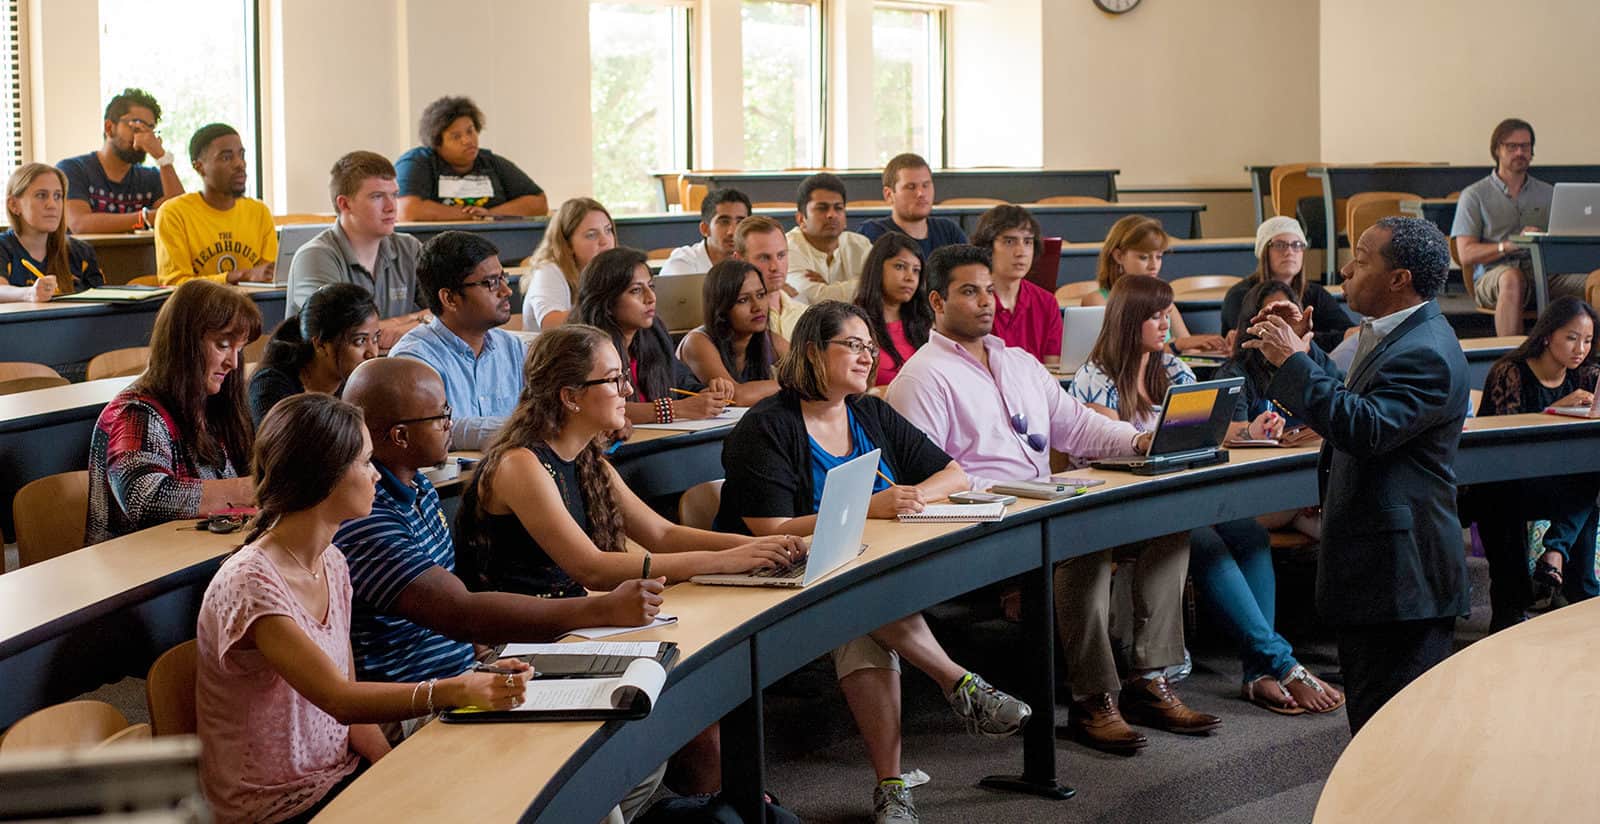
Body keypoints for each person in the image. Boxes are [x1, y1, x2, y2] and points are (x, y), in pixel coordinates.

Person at [885, 249, 1224, 751]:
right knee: (1086, 540)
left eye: (987, 290)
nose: (985, 302)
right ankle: (1093, 700)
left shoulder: (1018, 362)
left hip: (1043, 507)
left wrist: (1136, 441)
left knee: (1168, 526)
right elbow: (932, 480)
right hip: (983, 524)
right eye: (968, 291)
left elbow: (1078, 426)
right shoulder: (921, 378)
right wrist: (1015, 495)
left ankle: (1150, 679)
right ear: (936, 300)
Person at [717, 299, 1031, 824]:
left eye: (870, 346)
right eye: (854, 346)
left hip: (853, 573)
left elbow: (954, 474)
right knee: (862, 598)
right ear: (814, 351)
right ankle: (959, 685)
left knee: (862, 613)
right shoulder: (766, 427)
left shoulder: (870, 411)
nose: (868, 357)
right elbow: (767, 531)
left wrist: (912, 496)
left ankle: (893, 785)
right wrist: (872, 508)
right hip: (773, 573)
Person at [195, 393, 526, 824]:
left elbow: (351, 711)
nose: (376, 476)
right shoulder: (251, 582)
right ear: (324, 476)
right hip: (275, 809)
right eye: (366, 463)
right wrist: (456, 689)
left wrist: (396, 775)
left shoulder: (331, 562)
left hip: (338, 779)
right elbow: (341, 700)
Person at [1243, 216, 1470, 734]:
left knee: (1393, 736)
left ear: (1399, 279)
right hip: (1383, 570)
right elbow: (1358, 397)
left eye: (1361, 259)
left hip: (1402, 578)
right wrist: (1305, 351)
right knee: (1377, 725)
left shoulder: (1427, 352)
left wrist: (1292, 362)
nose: (1344, 268)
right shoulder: (1403, 333)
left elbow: (1365, 427)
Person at [1461, 296, 1600, 631]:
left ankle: (1566, 570)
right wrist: (1556, 408)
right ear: (1547, 334)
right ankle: (1524, 598)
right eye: (1571, 337)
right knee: (1506, 501)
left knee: (1591, 480)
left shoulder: (1586, 375)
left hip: (1555, 483)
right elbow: (1507, 439)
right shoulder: (1509, 373)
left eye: (1588, 340)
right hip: (1501, 480)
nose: (1580, 348)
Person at [87, 280, 261, 545]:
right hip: (140, 573)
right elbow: (145, 498)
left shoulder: (214, 405)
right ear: (184, 343)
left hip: (201, 556)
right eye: (223, 345)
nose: (233, 363)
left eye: (239, 348)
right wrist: (253, 488)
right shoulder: (134, 412)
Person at [388, 231, 525, 450]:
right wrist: (523, 428)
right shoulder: (413, 360)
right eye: (491, 282)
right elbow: (433, 430)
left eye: (503, 278)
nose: (506, 290)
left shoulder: (514, 348)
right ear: (450, 298)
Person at [1452, 118, 1588, 337]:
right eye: (1511, 146)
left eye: (1525, 146)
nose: (1519, 152)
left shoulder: (1549, 193)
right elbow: (1466, 254)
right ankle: (1512, 362)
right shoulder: (1474, 195)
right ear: (1497, 150)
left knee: (1596, 280)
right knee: (1512, 278)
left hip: (1544, 273)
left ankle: (1592, 357)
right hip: (1494, 275)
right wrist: (1508, 245)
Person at [286, 151, 429, 350]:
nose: (391, 207)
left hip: (388, 371)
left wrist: (400, 325)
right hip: (330, 379)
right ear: (344, 204)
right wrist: (417, 321)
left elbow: (448, 311)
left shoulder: (408, 247)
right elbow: (339, 334)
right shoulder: (315, 256)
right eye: (377, 196)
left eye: (394, 195)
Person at [573, 247, 731, 424]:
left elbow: (682, 383)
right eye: (636, 290)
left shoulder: (654, 333)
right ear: (607, 302)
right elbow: (601, 408)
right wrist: (677, 409)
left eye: (651, 286)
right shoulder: (588, 348)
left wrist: (707, 393)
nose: (651, 298)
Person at [1217, 281, 1322, 539]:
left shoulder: (1312, 361)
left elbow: (1341, 408)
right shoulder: (1235, 372)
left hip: (1307, 482)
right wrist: (1252, 431)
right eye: (1271, 318)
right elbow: (1224, 433)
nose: (1279, 327)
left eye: (1287, 319)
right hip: (1255, 490)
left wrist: (1301, 353)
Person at [1081, 215, 1226, 354]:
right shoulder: (1098, 301)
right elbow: (1117, 353)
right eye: (1143, 257)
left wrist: (1214, 349)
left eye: (1159, 256)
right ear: (1119, 256)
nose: (1154, 265)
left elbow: (1188, 348)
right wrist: (1178, 345)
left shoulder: (1163, 299)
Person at [154, 123, 276, 285]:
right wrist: (237, 276)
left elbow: (271, 275)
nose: (240, 164)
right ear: (200, 167)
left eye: (242, 155)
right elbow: (174, 283)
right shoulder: (173, 213)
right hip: (197, 309)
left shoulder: (259, 211)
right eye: (226, 157)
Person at [395, 96, 547, 221]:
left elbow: (538, 202)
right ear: (437, 143)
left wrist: (490, 213)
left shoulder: (491, 162)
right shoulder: (417, 162)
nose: (468, 140)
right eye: (456, 136)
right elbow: (407, 211)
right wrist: (469, 215)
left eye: (470, 131)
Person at [248, 284, 381, 424]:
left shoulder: (360, 383)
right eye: (360, 341)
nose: (372, 353)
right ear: (321, 344)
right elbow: (280, 445)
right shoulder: (271, 388)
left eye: (376, 339)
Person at [57, 88, 184, 234]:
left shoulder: (151, 177)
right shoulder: (73, 169)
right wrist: (147, 218)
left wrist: (162, 157)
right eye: (137, 126)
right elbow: (80, 224)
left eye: (150, 130)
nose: (145, 136)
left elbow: (180, 217)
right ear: (109, 127)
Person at [1221, 216, 1355, 352]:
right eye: (1280, 245)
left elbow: (1349, 333)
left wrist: (1300, 339)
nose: (1289, 252)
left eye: (1297, 245)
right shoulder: (1241, 295)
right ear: (1264, 253)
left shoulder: (1316, 293)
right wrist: (1323, 339)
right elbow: (1254, 341)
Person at [676, 258, 786, 406]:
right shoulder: (697, 342)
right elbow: (735, 397)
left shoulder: (767, 338)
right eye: (743, 300)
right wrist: (793, 385)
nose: (757, 307)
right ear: (722, 307)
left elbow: (815, 371)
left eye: (760, 295)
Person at [0, 163, 104, 302]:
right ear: (14, 205)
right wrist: (29, 294)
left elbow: (102, 300)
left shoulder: (81, 252)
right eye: (41, 195)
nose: (52, 205)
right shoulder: (4, 247)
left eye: (57, 196)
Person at [970, 205, 1061, 363]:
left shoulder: (1047, 303)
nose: (1021, 252)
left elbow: (1053, 370)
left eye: (1027, 242)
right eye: (1009, 241)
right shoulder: (971, 303)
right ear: (988, 247)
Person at [520, 197, 615, 332]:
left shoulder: (608, 271)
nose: (605, 241)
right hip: (551, 352)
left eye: (608, 230)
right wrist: (609, 307)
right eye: (591, 235)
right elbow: (551, 324)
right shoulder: (548, 270)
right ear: (567, 243)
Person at [852, 232, 932, 387]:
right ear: (877, 269)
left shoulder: (926, 323)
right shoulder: (854, 324)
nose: (910, 277)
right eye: (900, 266)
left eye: (916, 270)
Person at [858, 153, 966, 258]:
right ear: (889, 195)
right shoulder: (873, 234)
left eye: (926, 185)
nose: (921, 193)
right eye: (911, 187)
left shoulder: (949, 231)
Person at [786, 173, 871, 303]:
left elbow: (883, 287)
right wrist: (864, 284)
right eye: (822, 208)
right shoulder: (787, 248)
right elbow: (815, 299)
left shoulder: (860, 245)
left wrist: (829, 288)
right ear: (801, 219)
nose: (832, 215)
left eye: (838, 208)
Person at [733, 215, 807, 341]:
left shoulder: (805, 314)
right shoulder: (734, 318)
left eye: (781, 255)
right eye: (764, 258)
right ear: (739, 260)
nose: (775, 267)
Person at [660, 188, 751, 277]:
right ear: (705, 229)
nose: (732, 232)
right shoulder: (683, 264)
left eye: (740, 222)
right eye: (724, 222)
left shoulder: (753, 260)